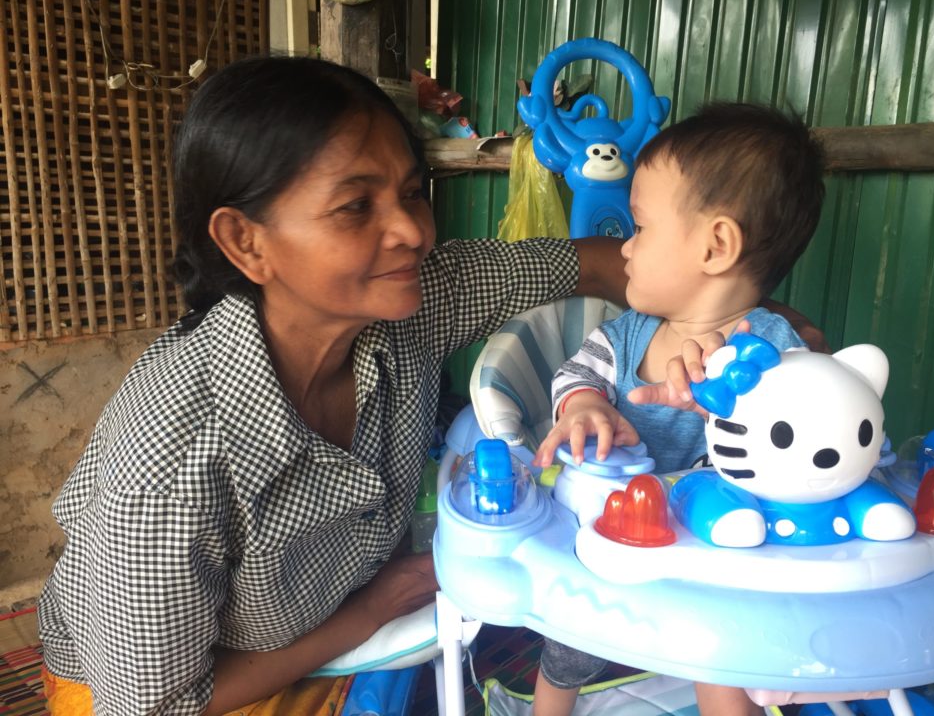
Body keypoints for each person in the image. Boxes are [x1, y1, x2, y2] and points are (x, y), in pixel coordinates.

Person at [36, 56, 631, 716]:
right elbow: (154, 705)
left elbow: (599, 268)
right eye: (355, 207)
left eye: (412, 192)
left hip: (331, 625)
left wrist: (737, 317)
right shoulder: (171, 463)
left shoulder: (414, 302)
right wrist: (369, 612)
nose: (412, 231)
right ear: (245, 241)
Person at [531, 102, 826, 716]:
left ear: (716, 245)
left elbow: (807, 432)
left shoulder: (777, 355)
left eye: (640, 228)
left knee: (721, 657)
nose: (627, 248)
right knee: (567, 637)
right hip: (613, 542)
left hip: (726, 556)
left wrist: (736, 398)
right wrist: (586, 406)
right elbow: (574, 373)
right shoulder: (624, 337)